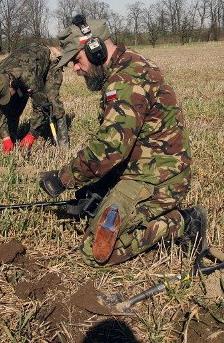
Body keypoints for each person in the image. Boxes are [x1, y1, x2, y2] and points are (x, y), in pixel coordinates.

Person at [38, 15, 206, 267]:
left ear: (95, 50)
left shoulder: (127, 80)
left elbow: (110, 148)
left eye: (76, 59)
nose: (75, 68)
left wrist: (63, 179)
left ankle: (183, 222)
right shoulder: (126, 67)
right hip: (141, 169)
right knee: (96, 208)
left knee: (96, 252)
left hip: (158, 179)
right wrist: (98, 186)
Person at [0, 43, 69, 153]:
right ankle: (13, 137)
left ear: (10, 83)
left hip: (49, 61)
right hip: (27, 65)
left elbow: (40, 105)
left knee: (52, 99)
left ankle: (63, 141)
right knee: (13, 102)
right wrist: (5, 138)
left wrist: (32, 134)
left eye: (8, 93)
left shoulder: (28, 77)